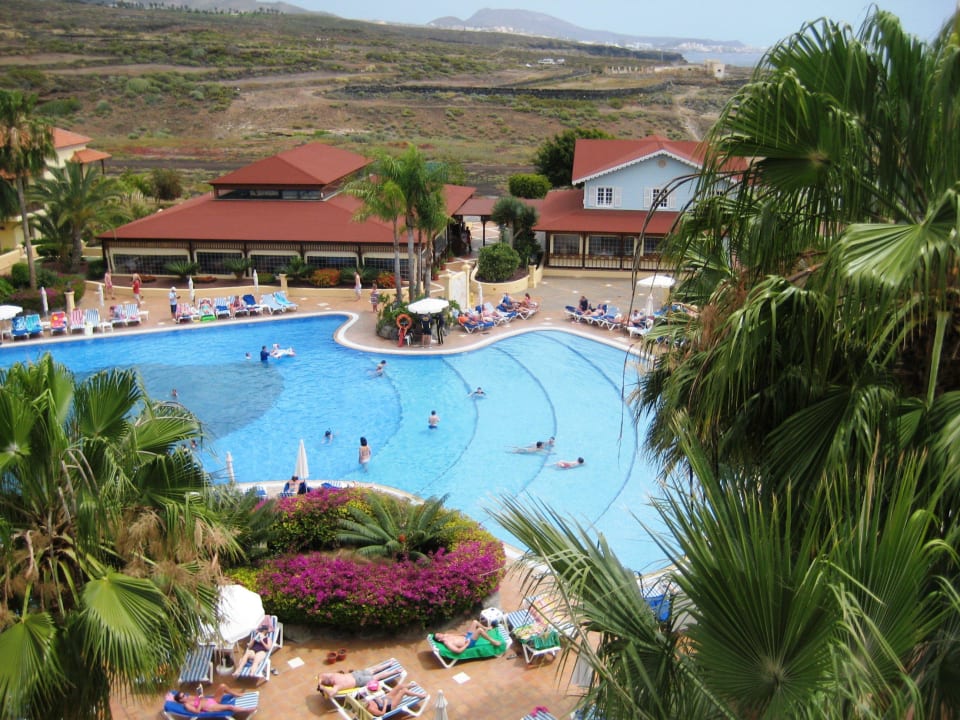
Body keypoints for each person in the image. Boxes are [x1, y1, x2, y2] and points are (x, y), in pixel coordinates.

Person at [317, 661, 403, 700]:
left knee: (373, 669)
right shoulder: (336, 685)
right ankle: (394, 671)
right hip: (359, 681)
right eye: (328, 682)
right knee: (377, 677)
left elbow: (320, 674)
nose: (330, 680)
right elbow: (331, 694)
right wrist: (323, 688)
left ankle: (389, 663)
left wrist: (319, 683)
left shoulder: (331, 676)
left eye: (328, 680)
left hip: (355, 674)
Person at [433, 619, 502, 654]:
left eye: (439, 633)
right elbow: (458, 651)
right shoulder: (447, 643)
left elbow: (455, 635)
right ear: (439, 640)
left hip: (466, 637)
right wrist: (466, 644)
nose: (440, 634)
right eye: (439, 635)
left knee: (475, 622)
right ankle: (493, 642)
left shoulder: (446, 635)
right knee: (479, 630)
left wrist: (462, 634)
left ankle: (487, 628)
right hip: (469, 643)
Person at [170, 684, 246, 715]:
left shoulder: (189, 697)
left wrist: (200, 694)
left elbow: (200, 698)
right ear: (180, 700)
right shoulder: (187, 705)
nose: (185, 696)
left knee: (222, 686)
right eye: (183, 696)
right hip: (210, 706)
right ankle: (247, 709)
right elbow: (197, 712)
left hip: (212, 700)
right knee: (230, 707)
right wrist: (200, 702)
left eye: (184, 694)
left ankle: (238, 694)